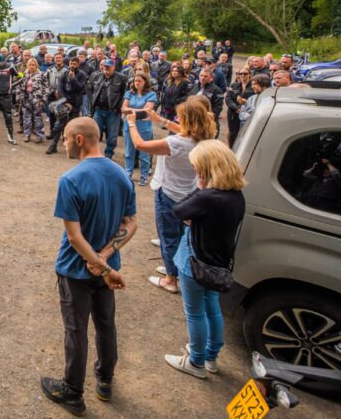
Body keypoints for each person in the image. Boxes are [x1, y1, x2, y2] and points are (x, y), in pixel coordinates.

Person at [41, 118, 138, 417]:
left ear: (80, 139)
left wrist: (100, 266)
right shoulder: (122, 175)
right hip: (106, 268)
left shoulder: (71, 179)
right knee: (106, 325)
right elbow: (130, 223)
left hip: (76, 271)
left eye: (67, 138)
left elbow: (74, 236)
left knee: (76, 330)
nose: (65, 143)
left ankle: (72, 391)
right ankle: (105, 381)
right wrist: (107, 257)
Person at [164, 140, 246, 378]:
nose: (196, 172)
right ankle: (211, 355)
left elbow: (178, 210)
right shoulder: (236, 195)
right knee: (212, 309)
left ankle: (196, 361)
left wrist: (199, 189)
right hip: (217, 263)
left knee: (195, 313)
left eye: (198, 168)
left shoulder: (208, 196)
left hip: (195, 262)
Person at [128, 101, 216, 294]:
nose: (177, 120)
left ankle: (170, 279)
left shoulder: (176, 143)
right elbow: (183, 131)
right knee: (183, 235)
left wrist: (131, 123)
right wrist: (161, 120)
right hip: (190, 194)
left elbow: (140, 144)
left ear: (188, 121)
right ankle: (176, 268)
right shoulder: (205, 138)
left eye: (180, 117)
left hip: (168, 193)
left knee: (167, 236)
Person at [121, 73, 158, 186]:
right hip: (129, 125)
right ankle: (128, 173)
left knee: (144, 153)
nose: (137, 83)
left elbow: (146, 111)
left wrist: (130, 110)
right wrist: (137, 110)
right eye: (135, 81)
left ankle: (144, 176)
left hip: (144, 127)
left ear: (145, 82)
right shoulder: (129, 93)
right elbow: (123, 108)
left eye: (139, 81)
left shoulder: (151, 95)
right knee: (129, 151)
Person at [86, 59, 127, 158]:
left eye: (109, 66)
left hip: (113, 112)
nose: (106, 68)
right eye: (105, 66)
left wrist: (118, 106)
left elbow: (125, 94)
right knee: (95, 133)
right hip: (98, 110)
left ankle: (108, 155)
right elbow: (89, 88)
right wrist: (92, 102)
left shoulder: (121, 78)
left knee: (112, 136)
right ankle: (94, 154)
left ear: (114, 67)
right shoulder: (96, 76)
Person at [46, 59, 87, 154]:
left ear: (78, 64)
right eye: (71, 63)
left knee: (73, 126)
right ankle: (53, 146)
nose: (72, 65)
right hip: (64, 103)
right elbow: (60, 90)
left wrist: (73, 79)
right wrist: (65, 102)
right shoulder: (63, 75)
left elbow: (81, 88)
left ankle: (73, 147)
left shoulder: (82, 75)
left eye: (74, 63)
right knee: (58, 124)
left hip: (76, 104)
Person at [19, 58, 50, 143]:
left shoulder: (41, 74)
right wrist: (19, 98)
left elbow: (46, 88)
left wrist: (43, 99)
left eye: (33, 65)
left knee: (38, 118)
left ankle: (39, 136)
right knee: (26, 117)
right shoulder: (23, 75)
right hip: (26, 98)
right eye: (30, 65)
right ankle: (27, 135)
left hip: (37, 99)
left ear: (36, 66)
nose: (31, 66)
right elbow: (19, 86)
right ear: (27, 66)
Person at [189, 69, 225, 137]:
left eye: (205, 76)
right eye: (201, 75)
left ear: (211, 78)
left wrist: (205, 117)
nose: (202, 78)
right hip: (192, 121)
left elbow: (218, 108)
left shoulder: (217, 90)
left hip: (207, 122)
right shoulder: (193, 87)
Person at [225, 67, 254, 148]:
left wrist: (241, 108)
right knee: (232, 133)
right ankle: (231, 149)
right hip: (233, 113)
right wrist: (236, 108)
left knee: (245, 132)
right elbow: (228, 98)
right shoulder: (234, 85)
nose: (242, 75)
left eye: (245, 74)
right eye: (240, 74)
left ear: (250, 75)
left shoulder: (253, 86)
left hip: (247, 114)